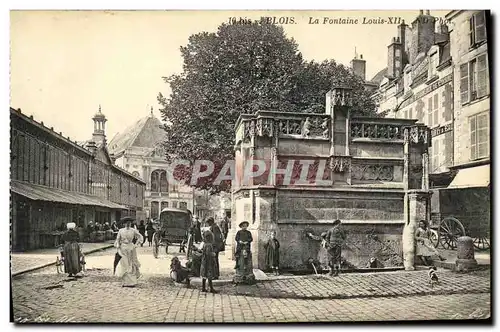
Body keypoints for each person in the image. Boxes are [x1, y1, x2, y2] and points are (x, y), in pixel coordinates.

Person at [114, 219, 143, 287]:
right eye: (126, 223)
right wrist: (118, 245)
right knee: (124, 264)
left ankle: (132, 282)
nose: (127, 224)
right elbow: (118, 239)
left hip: (131, 248)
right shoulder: (121, 230)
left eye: (129, 223)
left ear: (130, 224)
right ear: (124, 224)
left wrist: (136, 244)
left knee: (131, 263)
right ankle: (125, 282)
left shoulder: (133, 230)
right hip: (123, 248)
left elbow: (140, 237)